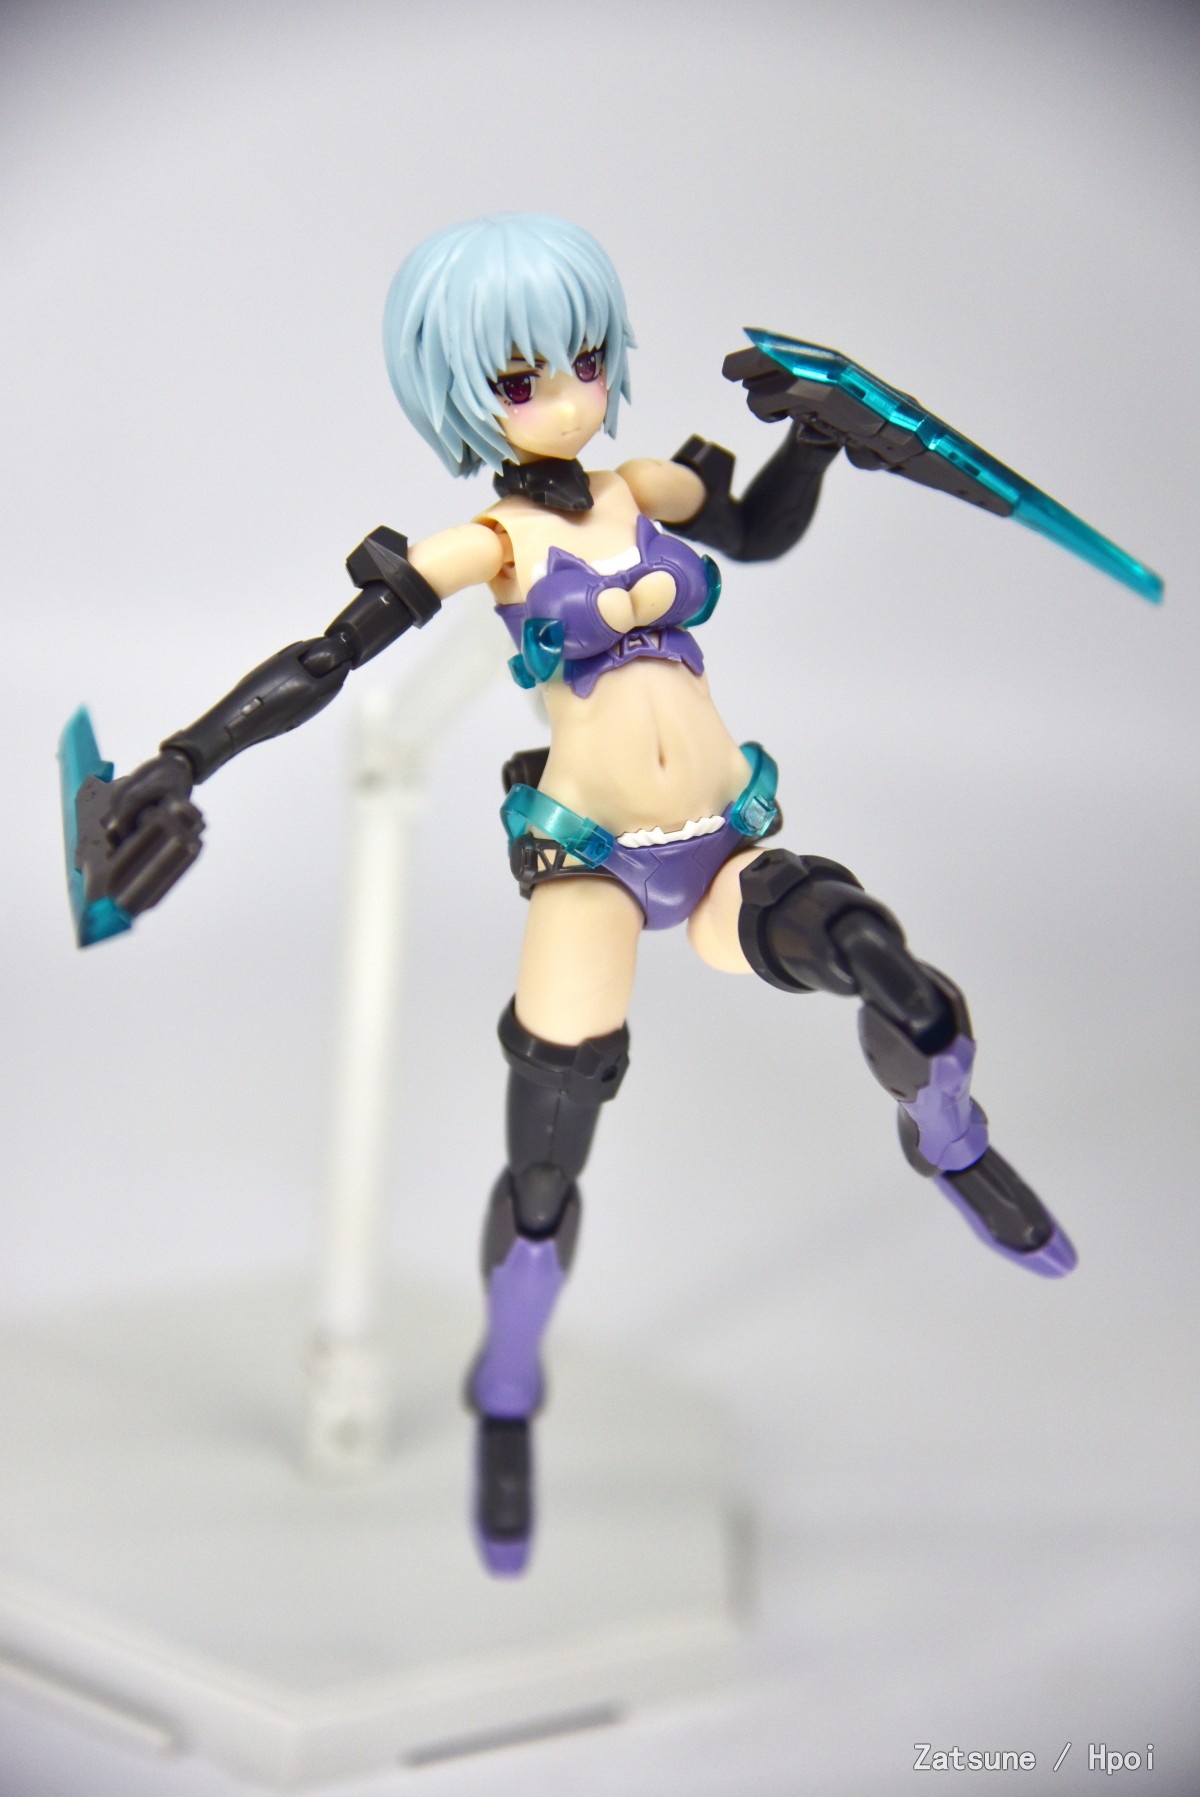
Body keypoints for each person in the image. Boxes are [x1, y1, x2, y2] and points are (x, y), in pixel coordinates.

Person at [89, 213, 1076, 1577]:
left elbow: (759, 531)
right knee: (548, 1168)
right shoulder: (491, 540)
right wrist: (184, 758)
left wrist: (817, 440)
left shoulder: (645, 487)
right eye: (519, 378)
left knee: (895, 978)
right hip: (593, 868)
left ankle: (950, 1143)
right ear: (462, 394)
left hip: (724, 845)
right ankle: (507, 1386)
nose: (566, 394)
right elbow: (325, 659)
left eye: (587, 359)